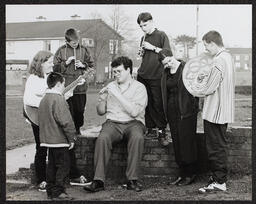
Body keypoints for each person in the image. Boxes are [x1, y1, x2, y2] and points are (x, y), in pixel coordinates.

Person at [83, 56, 148, 192]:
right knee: (102, 138)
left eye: (119, 71)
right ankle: (98, 180)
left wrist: (116, 94)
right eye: (114, 72)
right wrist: (102, 100)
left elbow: (135, 112)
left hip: (133, 122)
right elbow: (101, 112)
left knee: (137, 138)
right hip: (113, 122)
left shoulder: (139, 88)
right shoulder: (110, 86)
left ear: (128, 70)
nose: (116, 75)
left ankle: (132, 180)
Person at [194, 31, 235, 193]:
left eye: (206, 45)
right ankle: (218, 178)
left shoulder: (218, 59)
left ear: (212, 43)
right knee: (220, 145)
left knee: (215, 147)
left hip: (215, 111)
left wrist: (196, 88)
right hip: (223, 110)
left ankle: (219, 181)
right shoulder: (228, 58)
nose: (206, 49)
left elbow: (209, 87)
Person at [53, 28, 93, 185]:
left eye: (78, 41)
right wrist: (65, 63)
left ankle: (78, 128)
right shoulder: (60, 51)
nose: (76, 44)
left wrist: (83, 65)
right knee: (67, 113)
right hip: (66, 88)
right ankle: (70, 132)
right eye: (73, 42)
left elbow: (92, 67)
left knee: (79, 112)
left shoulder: (84, 50)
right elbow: (55, 70)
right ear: (67, 41)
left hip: (81, 88)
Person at [158, 49, 199, 186]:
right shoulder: (165, 73)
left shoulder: (186, 68)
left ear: (173, 55)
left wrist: (193, 107)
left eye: (169, 60)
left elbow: (197, 88)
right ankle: (182, 174)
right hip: (172, 111)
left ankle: (191, 174)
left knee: (186, 141)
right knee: (177, 142)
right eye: (165, 63)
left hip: (186, 111)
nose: (168, 64)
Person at [38, 72, 76, 200]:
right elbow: (66, 121)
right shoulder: (58, 99)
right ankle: (59, 191)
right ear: (59, 84)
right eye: (63, 84)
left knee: (52, 166)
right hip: (59, 140)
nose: (63, 86)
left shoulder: (44, 99)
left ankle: (50, 191)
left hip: (47, 139)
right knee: (64, 165)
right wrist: (72, 137)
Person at [136, 12, 171, 146]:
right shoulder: (143, 38)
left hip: (157, 74)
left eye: (145, 25)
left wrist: (153, 48)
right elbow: (144, 56)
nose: (143, 28)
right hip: (143, 74)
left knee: (158, 103)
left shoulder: (161, 35)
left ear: (151, 22)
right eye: (141, 26)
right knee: (147, 103)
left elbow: (168, 53)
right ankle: (150, 128)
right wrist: (142, 52)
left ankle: (162, 131)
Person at [23, 50, 54, 192]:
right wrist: (45, 100)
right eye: (49, 62)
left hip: (48, 116)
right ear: (41, 63)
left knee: (53, 147)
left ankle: (53, 179)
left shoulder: (50, 76)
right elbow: (28, 100)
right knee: (41, 148)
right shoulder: (33, 79)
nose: (52, 64)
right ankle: (41, 180)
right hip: (37, 117)